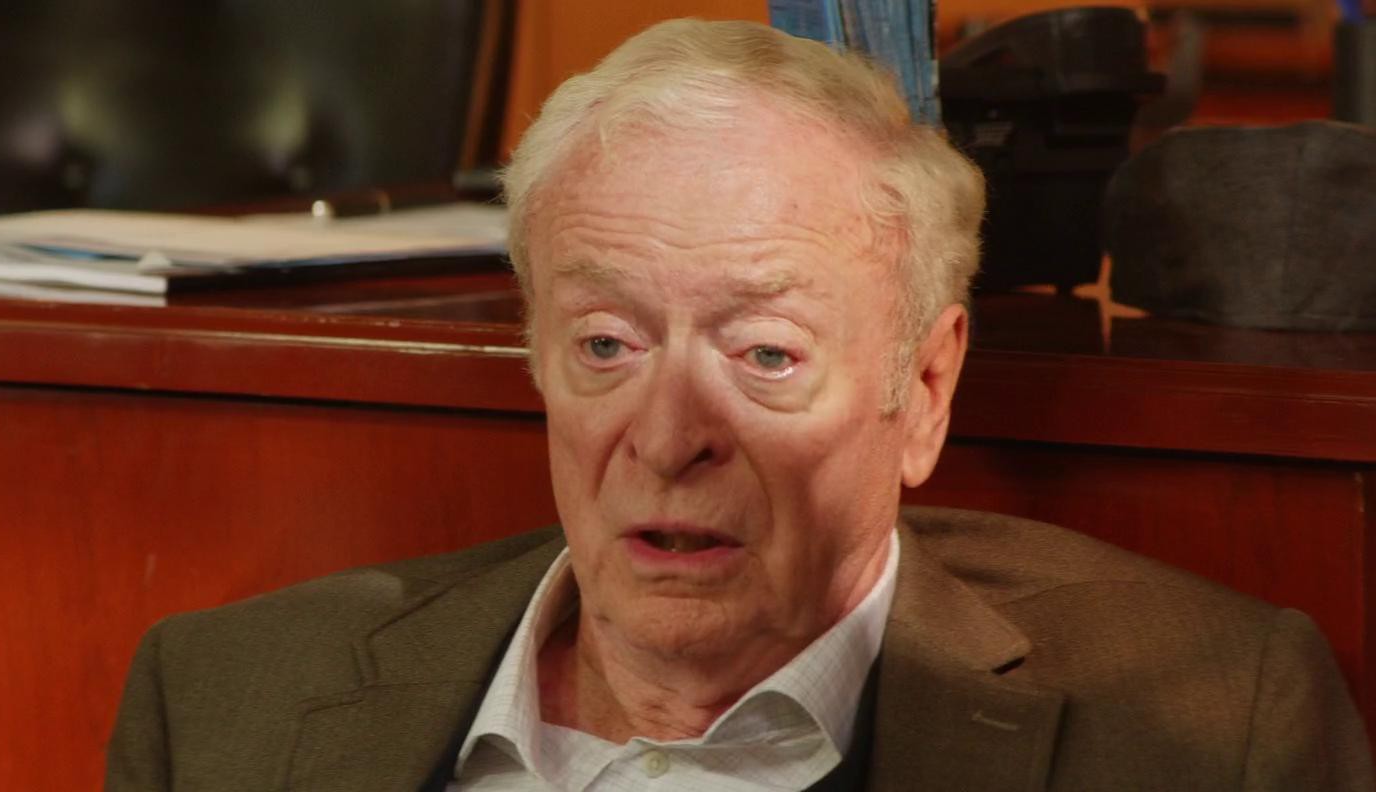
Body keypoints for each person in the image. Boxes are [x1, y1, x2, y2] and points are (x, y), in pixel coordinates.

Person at [105, 18, 1374, 791]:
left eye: (765, 355)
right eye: (606, 344)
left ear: (923, 390)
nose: (666, 439)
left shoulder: (1204, 729)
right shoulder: (224, 704)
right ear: (536, 358)